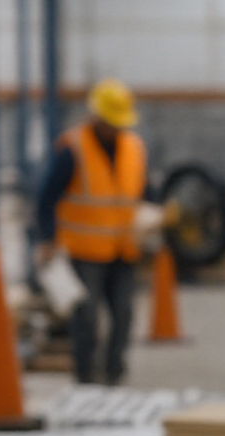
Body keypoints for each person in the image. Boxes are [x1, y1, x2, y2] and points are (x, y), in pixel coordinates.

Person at [36, 79, 148, 385]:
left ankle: (114, 374)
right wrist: (48, 238)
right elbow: (47, 197)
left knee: (124, 315)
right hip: (85, 250)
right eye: (111, 123)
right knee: (86, 319)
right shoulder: (73, 148)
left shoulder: (134, 149)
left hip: (123, 250)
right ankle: (85, 377)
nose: (117, 129)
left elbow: (142, 192)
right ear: (96, 118)